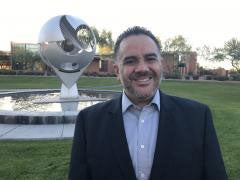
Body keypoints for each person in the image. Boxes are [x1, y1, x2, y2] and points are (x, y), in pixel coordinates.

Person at [68, 26, 227, 180]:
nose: (142, 68)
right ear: (117, 71)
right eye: (130, 61)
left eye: (150, 59)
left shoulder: (198, 118)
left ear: (161, 64)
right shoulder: (89, 122)